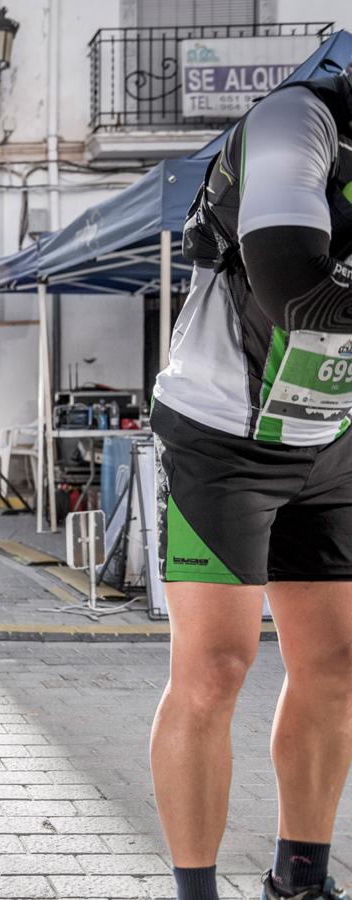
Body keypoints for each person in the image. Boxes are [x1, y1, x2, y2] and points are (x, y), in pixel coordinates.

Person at [148, 63, 352, 900]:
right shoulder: (297, 119)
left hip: (332, 434)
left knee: (337, 664)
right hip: (221, 434)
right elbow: (293, 284)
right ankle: (194, 892)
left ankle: (300, 880)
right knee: (216, 667)